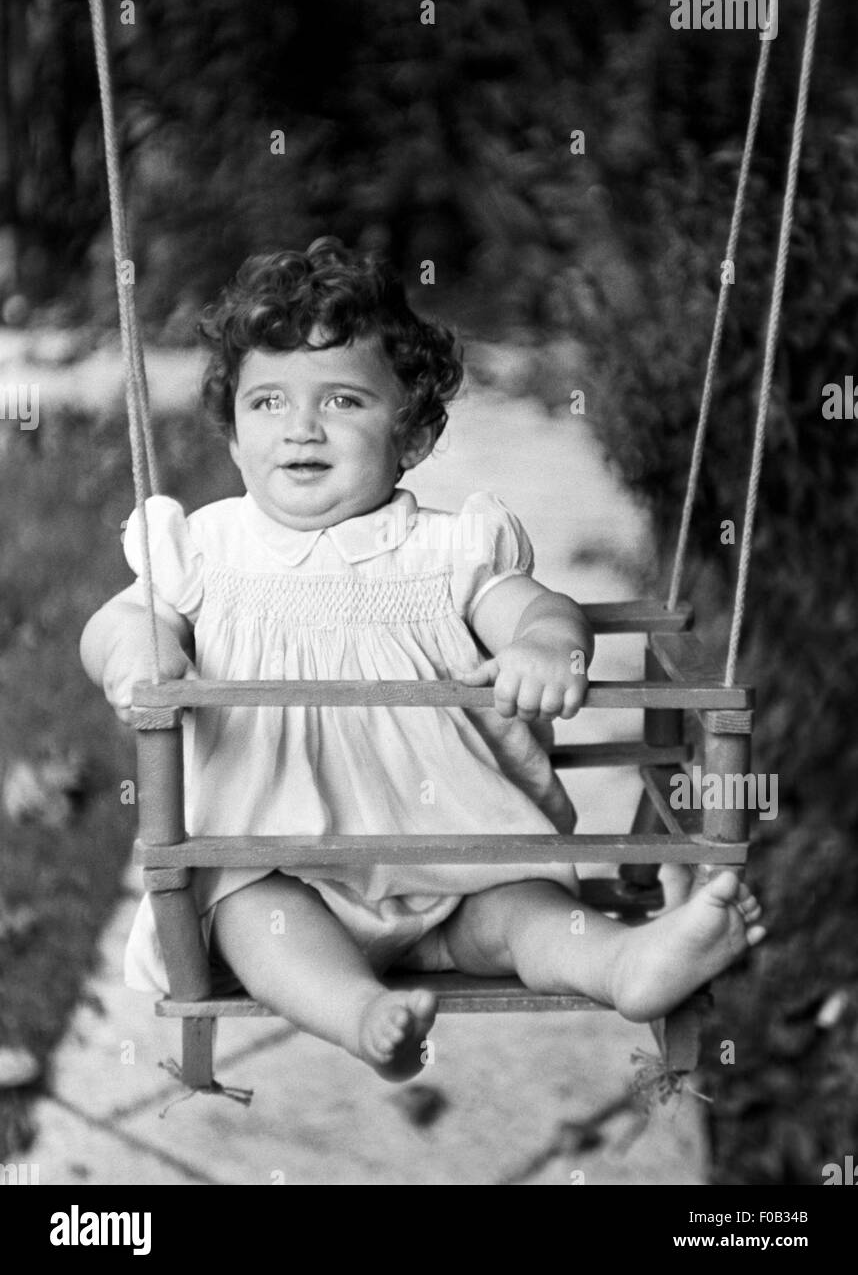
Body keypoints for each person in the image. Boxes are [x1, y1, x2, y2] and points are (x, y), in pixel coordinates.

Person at [80, 237, 764, 1082]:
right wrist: (141, 652)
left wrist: (549, 645)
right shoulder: (205, 549)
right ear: (231, 436)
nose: (300, 426)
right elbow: (120, 620)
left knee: (529, 916)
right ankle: (364, 1013)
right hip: (284, 868)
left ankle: (628, 967)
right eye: (266, 403)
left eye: (341, 400)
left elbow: (536, 608)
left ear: (409, 433)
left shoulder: (448, 550)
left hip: (456, 863)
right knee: (255, 915)